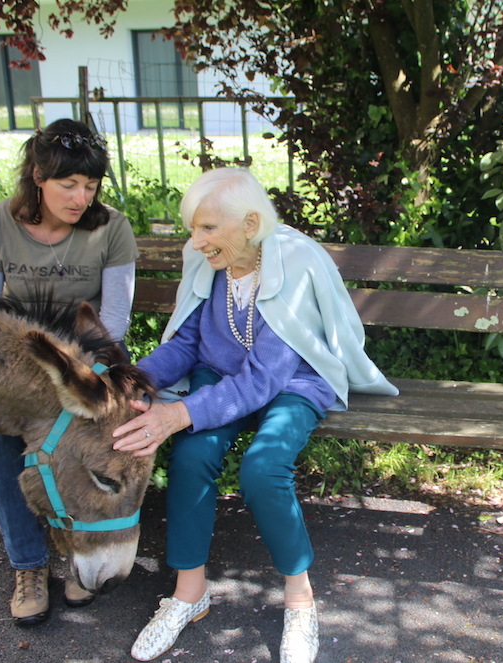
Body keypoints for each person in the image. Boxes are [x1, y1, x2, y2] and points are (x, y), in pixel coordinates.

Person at [112, 167, 398, 662]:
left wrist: (177, 413)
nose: (195, 241)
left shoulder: (296, 264)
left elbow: (264, 378)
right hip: (220, 377)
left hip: (292, 380)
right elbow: (186, 341)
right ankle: (189, 592)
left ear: (249, 224)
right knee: (192, 456)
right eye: (192, 228)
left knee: (264, 468)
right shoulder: (207, 261)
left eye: (207, 228)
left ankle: (300, 599)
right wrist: (132, 380)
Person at [0, 118, 139, 626]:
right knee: (0, 445)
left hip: (91, 368)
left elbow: (112, 325)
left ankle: (77, 554)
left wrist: (80, 382)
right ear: (38, 176)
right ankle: (28, 565)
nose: (81, 197)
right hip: (16, 368)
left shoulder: (112, 227)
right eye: (69, 184)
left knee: (89, 444)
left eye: (90, 186)